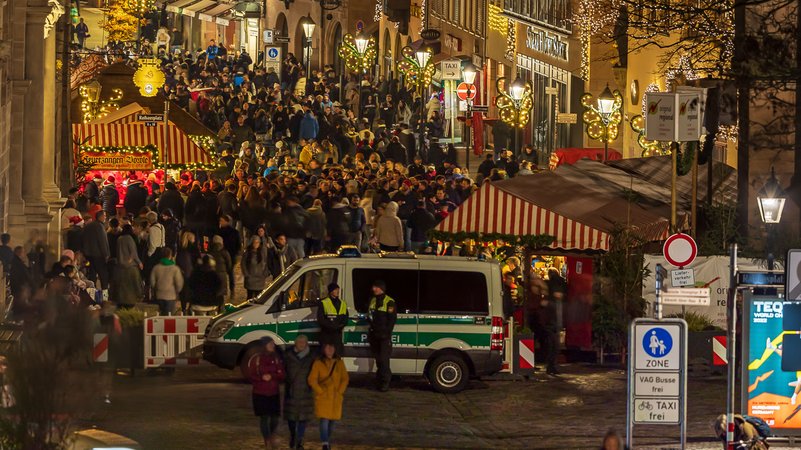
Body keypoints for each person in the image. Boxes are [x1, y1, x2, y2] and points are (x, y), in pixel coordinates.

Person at [307, 343, 349, 450]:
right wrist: (320, 391)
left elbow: (345, 378)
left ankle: (327, 440)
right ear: (323, 350)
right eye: (328, 348)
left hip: (335, 397)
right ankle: (325, 442)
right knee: (324, 420)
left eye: (332, 347)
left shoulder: (339, 363)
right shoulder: (318, 363)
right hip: (323, 397)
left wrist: (340, 391)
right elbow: (312, 379)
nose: (330, 350)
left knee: (332, 421)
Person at [248, 337, 285, 450]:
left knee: (275, 417)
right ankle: (267, 439)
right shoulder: (257, 359)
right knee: (264, 417)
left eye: (273, 344)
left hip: (273, 392)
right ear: (265, 345)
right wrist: (261, 377)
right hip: (260, 392)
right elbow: (251, 375)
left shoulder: (276, 358)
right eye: (270, 344)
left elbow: (282, 373)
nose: (273, 346)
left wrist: (272, 376)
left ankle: (272, 434)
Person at [284, 335, 315, 450]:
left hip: (305, 391)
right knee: (291, 419)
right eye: (299, 342)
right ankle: (293, 436)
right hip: (291, 391)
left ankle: (299, 440)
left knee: (303, 419)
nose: (302, 344)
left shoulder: (312, 356)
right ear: (295, 343)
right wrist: (288, 380)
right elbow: (283, 369)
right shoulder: (288, 354)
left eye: (304, 342)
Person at [367, 279, 397, 391]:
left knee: (384, 360)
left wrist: (386, 334)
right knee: (379, 360)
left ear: (381, 288)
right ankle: (380, 381)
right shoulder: (373, 300)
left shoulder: (389, 302)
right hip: (374, 335)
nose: (373, 289)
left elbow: (392, 320)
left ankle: (385, 382)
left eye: (375, 287)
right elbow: (369, 315)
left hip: (384, 337)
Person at [82, 211, 110, 299]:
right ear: (100, 217)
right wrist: (106, 254)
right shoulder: (100, 226)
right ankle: (105, 297)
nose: (105, 218)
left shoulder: (89, 226)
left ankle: (91, 297)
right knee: (103, 277)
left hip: (89, 255)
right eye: (104, 216)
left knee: (92, 277)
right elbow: (103, 242)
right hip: (99, 256)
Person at [150, 247, 184, 315]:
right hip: (171, 295)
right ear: (170, 256)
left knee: (162, 314)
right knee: (169, 316)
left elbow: (152, 282)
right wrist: (177, 291)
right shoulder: (175, 268)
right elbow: (179, 283)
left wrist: (156, 289)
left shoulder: (156, 268)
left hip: (159, 295)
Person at [317, 283, 348, 356]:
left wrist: (340, 326)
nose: (337, 291)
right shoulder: (324, 303)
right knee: (326, 357)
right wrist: (331, 326)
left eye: (338, 290)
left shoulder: (343, 303)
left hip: (337, 335)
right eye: (335, 290)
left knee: (337, 356)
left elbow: (346, 318)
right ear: (331, 291)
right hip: (327, 335)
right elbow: (321, 319)